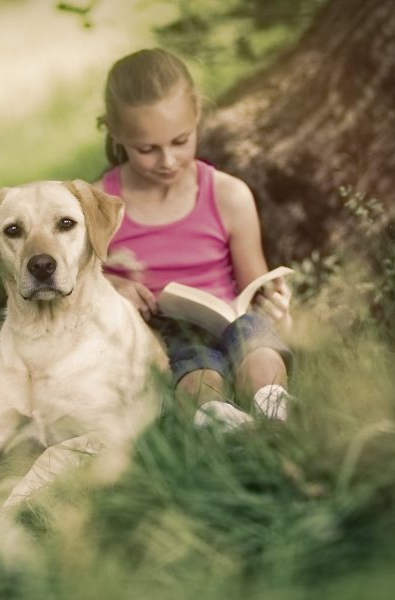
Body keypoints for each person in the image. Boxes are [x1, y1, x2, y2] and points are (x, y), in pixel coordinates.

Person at [93, 48, 293, 431]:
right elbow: (77, 287)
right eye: (147, 149)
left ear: (198, 117)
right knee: (194, 367)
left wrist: (277, 310)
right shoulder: (100, 206)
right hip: (164, 332)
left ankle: (276, 412)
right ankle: (219, 424)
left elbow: (256, 287)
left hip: (232, 319)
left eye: (180, 141)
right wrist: (112, 286)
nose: (167, 160)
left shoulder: (228, 196)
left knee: (254, 338)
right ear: (116, 134)